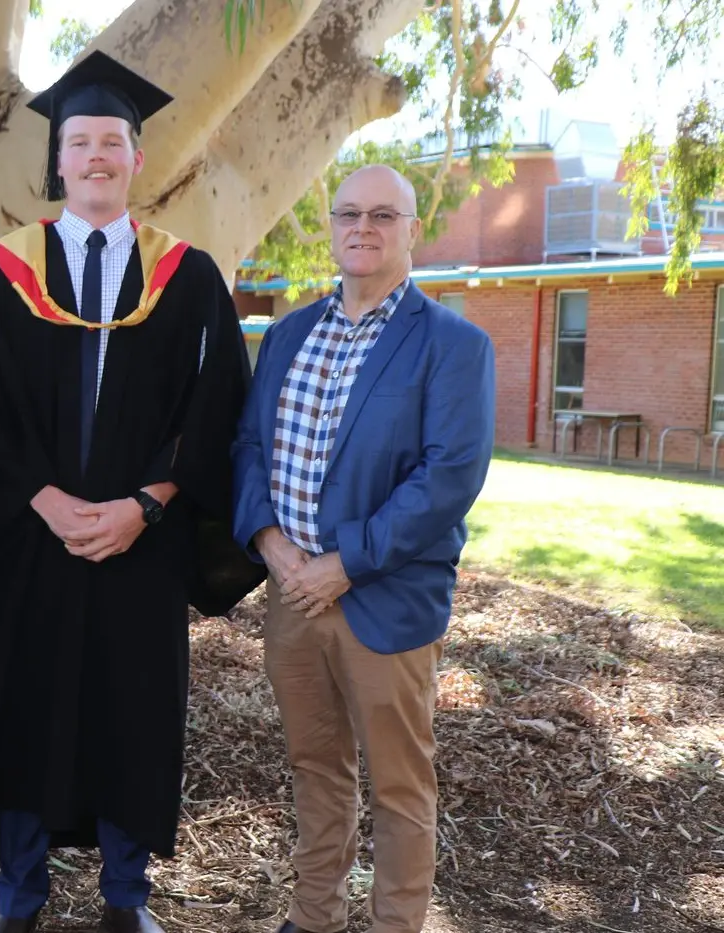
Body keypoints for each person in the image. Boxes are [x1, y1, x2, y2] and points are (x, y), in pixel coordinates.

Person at [0, 51, 258, 933]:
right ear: (56, 161)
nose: (94, 156)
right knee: (21, 708)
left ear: (137, 159)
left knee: (134, 713)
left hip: (141, 541)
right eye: (78, 141)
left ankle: (126, 900)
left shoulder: (189, 276)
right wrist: (40, 498)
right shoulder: (3, 270)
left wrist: (149, 502)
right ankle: (21, 897)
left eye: (111, 142)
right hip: (27, 537)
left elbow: (219, 405)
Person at [231, 164, 496, 933]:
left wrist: (343, 562)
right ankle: (314, 916)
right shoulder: (287, 335)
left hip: (382, 601)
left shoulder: (453, 345)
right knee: (316, 769)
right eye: (349, 213)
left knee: (399, 786)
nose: (364, 227)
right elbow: (248, 448)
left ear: (413, 229)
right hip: (293, 598)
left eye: (384, 215)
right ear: (331, 225)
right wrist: (274, 547)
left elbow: (447, 476)